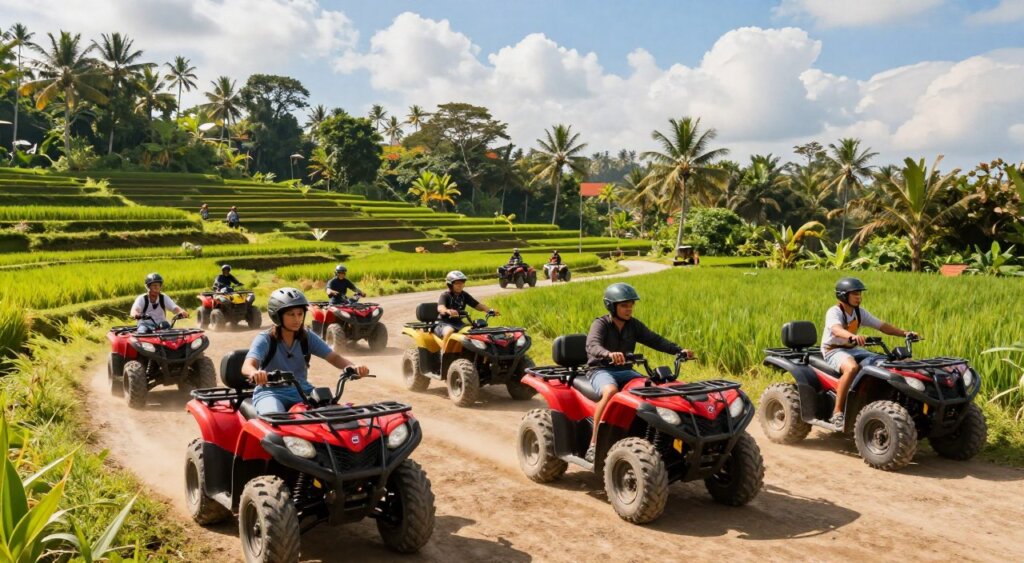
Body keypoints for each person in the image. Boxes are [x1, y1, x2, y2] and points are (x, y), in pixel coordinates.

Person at [584, 282, 690, 463]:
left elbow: (655, 340)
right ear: (611, 306)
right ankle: (594, 444)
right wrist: (608, 354)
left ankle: (657, 439)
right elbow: (592, 345)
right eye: (624, 305)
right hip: (600, 370)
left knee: (652, 389)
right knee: (610, 391)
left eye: (631, 305)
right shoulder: (600, 324)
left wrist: (678, 350)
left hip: (625, 371)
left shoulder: (633, 325)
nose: (629, 309)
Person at [241, 287, 370, 415]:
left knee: (335, 416)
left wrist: (353, 367)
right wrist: (255, 373)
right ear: (277, 316)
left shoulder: (307, 336)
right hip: (271, 393)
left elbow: (334, 358)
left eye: (300, 314)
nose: (297, 319)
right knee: (274, 419)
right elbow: (247, 365)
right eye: (291, 314)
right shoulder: (266, 338)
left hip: (303, 391)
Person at [822, 277, 918, 430]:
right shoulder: (834, 312)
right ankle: (837, 412)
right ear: (843, 295)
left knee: (884, 363)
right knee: (852, 368)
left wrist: (906, 333)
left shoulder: (859, 313)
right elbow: (836, 329)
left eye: (860, 294)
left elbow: (883, 326)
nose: (859, 297)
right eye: (855, 294)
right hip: (833, 350)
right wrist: (852, 336)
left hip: (852, 349)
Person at [436, 270, 498, 338]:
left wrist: (489, 310)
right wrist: (447, 311)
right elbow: (440, 308)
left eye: (462, 283)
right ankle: (444, 349)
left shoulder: (464, 295)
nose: (461, 285)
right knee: (449, 331)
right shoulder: (445, 295)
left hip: (459, 322)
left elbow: (477, 305)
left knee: (474, 330)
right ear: (450, 284)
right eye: (457, 283)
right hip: (444, 323)